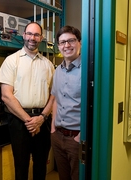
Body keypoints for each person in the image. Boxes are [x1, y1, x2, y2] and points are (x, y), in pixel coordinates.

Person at [0, 22, 55, 180]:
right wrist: (29, 121)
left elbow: (53, 96)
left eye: (36, 35)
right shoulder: (11, 61)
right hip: (19, 121)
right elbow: (6, 96)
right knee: (21, 166)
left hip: (42, 120)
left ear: (41, 38)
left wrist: (41, 118)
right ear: (24, 35)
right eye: (29, 34)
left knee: (41, 164)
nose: (32, 38)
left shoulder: (48, 65)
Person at [51, 25, 82, 180]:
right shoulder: (58, 70)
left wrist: (81, 135)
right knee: (63, 177)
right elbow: (56, 99)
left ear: (79, 43)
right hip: (58, 136)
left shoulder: (89, 70)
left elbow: (94, 106)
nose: (67, 45)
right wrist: (52, 129)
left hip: (76, 139)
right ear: (59, 46)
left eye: (71, 40)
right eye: (63, 42)